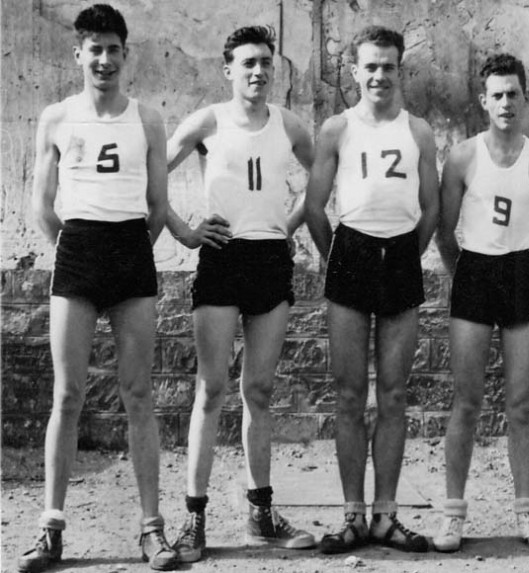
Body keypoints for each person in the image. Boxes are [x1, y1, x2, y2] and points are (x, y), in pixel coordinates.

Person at [20, 4, 178, 571]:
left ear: (125, 54)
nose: (105, 59)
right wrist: (78, 245)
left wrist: (129, 248)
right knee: (68, 395)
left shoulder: (149, 119)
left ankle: (151, 530)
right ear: (78, 54)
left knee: (139, 394)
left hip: (131, 251)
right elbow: (42, 205)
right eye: (95, 49)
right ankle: (51, 530)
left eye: (114, 48)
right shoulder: (56, 117)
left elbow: (158, 206)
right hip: (79, 253)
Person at [163, 26, 316, 562]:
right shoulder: (208, 120)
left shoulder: (288, 124)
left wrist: (292, 222)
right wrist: (183, 231)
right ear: (228, 69)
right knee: (211, 389)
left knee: (259, 391)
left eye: (266, 63)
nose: (258, 71)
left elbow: (324, 179)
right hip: (222, 257)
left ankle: (260, 514)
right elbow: (153, 175)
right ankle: (194, 518)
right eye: (248, 63)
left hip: (270, 259)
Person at [305, 25, 439, 554]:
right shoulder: (336, 129)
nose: (380, 75)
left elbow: (431, 210)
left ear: (399, 70)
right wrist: (338, 257)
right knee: (347, 394)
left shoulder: (420, 132)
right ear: (354, 72)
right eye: (371, 66)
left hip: (400, 254)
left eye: (388, 66)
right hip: (351, 254)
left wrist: (406, 252)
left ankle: (386, 514)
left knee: (394, 394)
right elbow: (316, 208)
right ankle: (352, 515)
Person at [432, 54, 529, 552]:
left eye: (514, 93)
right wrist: (469, 274)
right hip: (474, 274)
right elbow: (445, 233)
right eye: (497, 94)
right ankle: (452, 515)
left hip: (521, 274)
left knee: (522, 405)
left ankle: (526, 513)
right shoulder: (462, 157)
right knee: (466, 402)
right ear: (484, 101)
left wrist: (511, 264)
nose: (506, 102)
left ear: (526, 98)